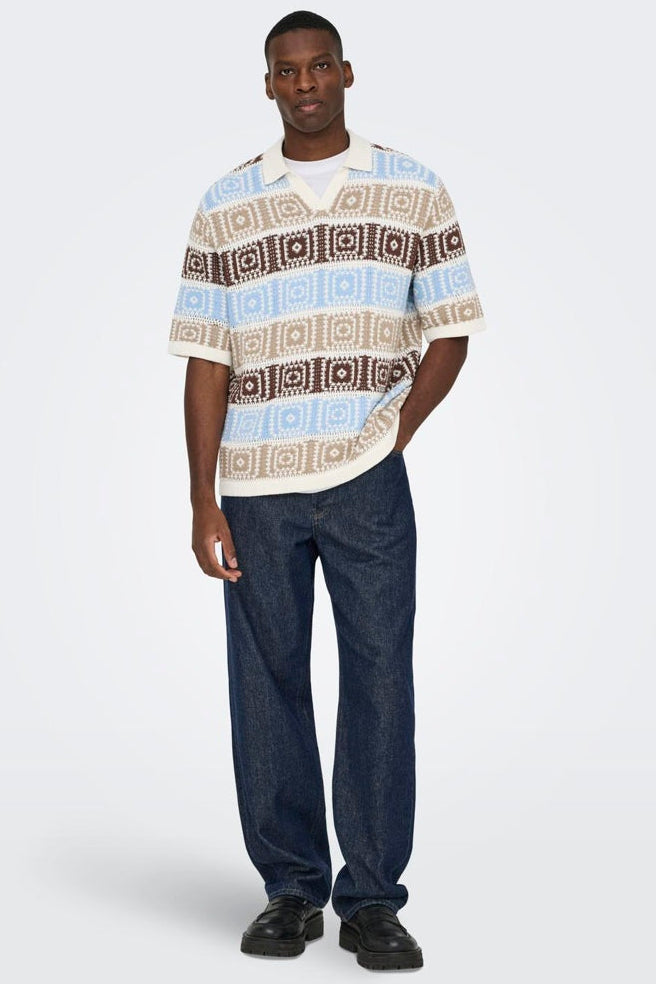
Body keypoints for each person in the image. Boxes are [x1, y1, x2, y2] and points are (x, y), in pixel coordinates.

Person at [167, 9, 487, 972]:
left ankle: (373, 900)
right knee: (267, 684)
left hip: (365, 482)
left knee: (381, 681)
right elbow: (206, 359)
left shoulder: (412, 187)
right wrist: (202, 498)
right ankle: (291, 890)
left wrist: (396, 430)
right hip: (256, 484)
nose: (303, 84)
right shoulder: (227, 203)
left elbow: (451, 327)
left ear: (346, 73)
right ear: (268, 84)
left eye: (317, 67)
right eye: (285, 71)